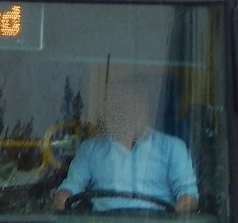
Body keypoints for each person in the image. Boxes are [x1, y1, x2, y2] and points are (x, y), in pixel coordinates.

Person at [53, 79, 198, 213]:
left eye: (139, 105)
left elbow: (188, 194)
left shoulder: (173, 147)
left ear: (148, 111)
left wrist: (172, 221)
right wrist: (63, 198)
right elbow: (71, 187)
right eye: (125, 106)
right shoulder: (90, 149)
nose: (133, 112)